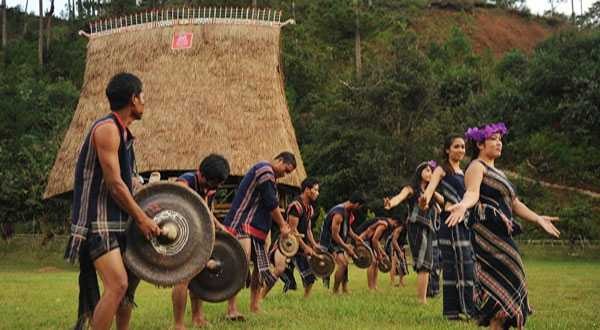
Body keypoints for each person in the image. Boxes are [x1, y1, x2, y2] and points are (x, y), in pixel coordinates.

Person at [65, 73, 161, 330]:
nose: (144, 101)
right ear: (133, 99)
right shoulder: (107, 129)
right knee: (118, 285)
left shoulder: (123, 134)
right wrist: (141, 219)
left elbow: (128, 182)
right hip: (98, 221)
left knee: (122, 286)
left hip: (115, 220)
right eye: (142, 95)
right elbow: (115, 184)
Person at [447, 123, 560, 329]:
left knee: (509, 290)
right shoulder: (476, 167)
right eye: (494, 139)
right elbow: (472, 193)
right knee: (509, 281)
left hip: (502, 235)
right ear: (480, 144)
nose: (499, 143)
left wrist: (537, 218)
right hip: (487, 237)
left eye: (500, 139)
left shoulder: (498, 172)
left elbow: (514, 203)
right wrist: (463, 205)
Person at [222, 152, 296, 316]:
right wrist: (283, 225)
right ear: (279, 160)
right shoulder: (264, 170)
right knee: (241, 263)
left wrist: (269, 232)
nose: (285, 174)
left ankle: (255, 306)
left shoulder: (272, 180)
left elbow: (268, 206)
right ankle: (231, 309)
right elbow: (271, 202)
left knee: (260, 268)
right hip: (242, 222)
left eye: (288, 173)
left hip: (258, 228)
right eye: (286, 169)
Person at [420, 134, 477, 319]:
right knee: (453, 267)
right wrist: (424, 200)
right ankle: (454, 312)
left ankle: (468, 308)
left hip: (465, 222)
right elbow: (429, 191)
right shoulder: (441, 170)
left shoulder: (466, 173)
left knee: (468, 265)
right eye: (456, 146)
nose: (461, 150)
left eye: (463, 147)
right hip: (449, 223)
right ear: (447, 150)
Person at [171, 154, 230, 329]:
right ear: (201, 174)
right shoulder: (186, 181)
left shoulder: (208, 188)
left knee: (198, 276)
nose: (215, 187)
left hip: (197, 237)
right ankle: (178, 324)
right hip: (180, 236)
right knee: (183, 278)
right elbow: (179, 204)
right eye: (212, 183)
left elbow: (206, 212)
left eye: (218, 184)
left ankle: (198, 318)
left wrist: (219, 226)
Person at [384, 161, 443, 304]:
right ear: (419, 172)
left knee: (427, 263)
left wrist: (433, 190)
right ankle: (422, 300)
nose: (430, 173)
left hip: (429, 229)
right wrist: (391, 203)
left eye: (432, 171)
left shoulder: (431, 193)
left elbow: (443, 204)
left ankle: (423, 298)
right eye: (427, 170)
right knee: (424, 264)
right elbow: (399, 196)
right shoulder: (411, 189)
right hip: (417, 227)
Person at [262, 177, 321, 299]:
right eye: (315, 190)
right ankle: (260, 297)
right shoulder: (296, 206)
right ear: (307, 190)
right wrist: (305, 247)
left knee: (309, 276)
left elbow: (308, 229)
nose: (317, 193)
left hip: (299, 245)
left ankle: (306, 300)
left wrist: (314, 245)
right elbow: (293, 231)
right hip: (286, 244)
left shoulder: (309, 208)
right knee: (279, 269)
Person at [319, 192, 366, 294]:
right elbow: (335, 235)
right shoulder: (339, 214)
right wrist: (346, 247)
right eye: (360, 206)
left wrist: (356, 238)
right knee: (342, 263)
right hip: (329, 241)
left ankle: (344, 288)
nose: (359, 208)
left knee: (345, 263)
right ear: (357, 204)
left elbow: (348, 229)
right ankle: (335, 291)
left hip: (337, 240)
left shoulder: (347, 211)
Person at [356, 217, 400, 291]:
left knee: (376, 262)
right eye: (395, 226)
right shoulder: (385, 224)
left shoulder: (384, 224)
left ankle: (374, 286)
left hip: (368, 239)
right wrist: (379, 255)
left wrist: (382, 253)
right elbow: (374, 240)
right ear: (395, 222)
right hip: (361, 238)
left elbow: (376, 241)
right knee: (373, 262)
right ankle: (370, 288)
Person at [385, 219, 409, 287]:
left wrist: (402, 251)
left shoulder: (407, 229)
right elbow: (394, 241)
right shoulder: (399, 229)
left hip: (400, 245)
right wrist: (399, 251)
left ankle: (401, 282)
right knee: (394, 263)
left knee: (402, 262)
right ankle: (392, 282)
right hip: (392, 245)